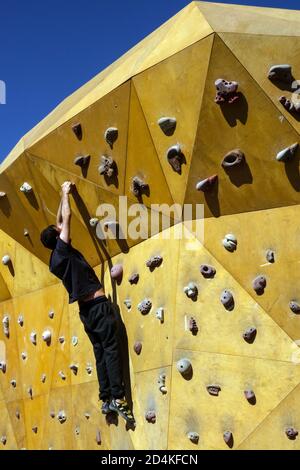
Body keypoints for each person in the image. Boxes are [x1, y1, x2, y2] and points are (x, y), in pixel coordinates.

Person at [40, 181, 134, 424]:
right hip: (99, 307)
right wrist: (63, 193)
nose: (61, 226)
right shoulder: (63, 250)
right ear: (58, 235)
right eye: (58, 228)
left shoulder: (54, 260)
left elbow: (60, 221)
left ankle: (106, 400)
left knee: (101, 353)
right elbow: (67, 217)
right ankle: (118, 397)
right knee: (111, 349)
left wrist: (64, 195)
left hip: (86, 312)